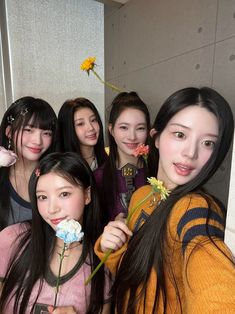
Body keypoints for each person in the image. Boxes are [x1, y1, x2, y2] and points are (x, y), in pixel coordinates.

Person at [95, 87, 235, 313]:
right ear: (156, 137)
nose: (191, 153)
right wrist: (112, 247)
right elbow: (134, 273)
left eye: (208, 143)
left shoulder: (195, 209)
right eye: (180, 135)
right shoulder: (143, 195)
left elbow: (216, 285)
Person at [0, 152, 111, 314]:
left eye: (64, 194)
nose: (52, 209)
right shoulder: (12, 239)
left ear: (87, 195)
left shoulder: (102, 261)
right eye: (42, 197)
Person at [0, 96, 57, 230]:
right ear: (9, 132)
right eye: (28, 130)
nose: (37, 141)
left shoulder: (58, 174)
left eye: (46, 133)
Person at [94, 91, 152, 223]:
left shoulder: (159, 173)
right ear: (111, 130)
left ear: (148, 131)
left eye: (140, 128)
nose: (132, 136)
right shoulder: (98, 178)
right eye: (124, 127)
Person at [58, 97, 107, 170]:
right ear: (68, 129)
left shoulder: (110, 162)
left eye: (93, 120)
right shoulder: (61, 168)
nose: (91, 128)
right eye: (80, 123)